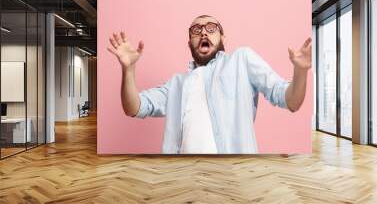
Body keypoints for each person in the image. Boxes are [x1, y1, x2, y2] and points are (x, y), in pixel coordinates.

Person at [107, 15, 311, 154]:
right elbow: (134, 107)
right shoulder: (177, 84)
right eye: (196, 30)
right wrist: (129, 70)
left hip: (233, 176)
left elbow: (290, 101)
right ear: (189, 43)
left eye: (211, 28)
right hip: (183, 177)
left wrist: (300, 71)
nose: (204, 33)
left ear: (223, 37)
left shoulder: (242, 60)